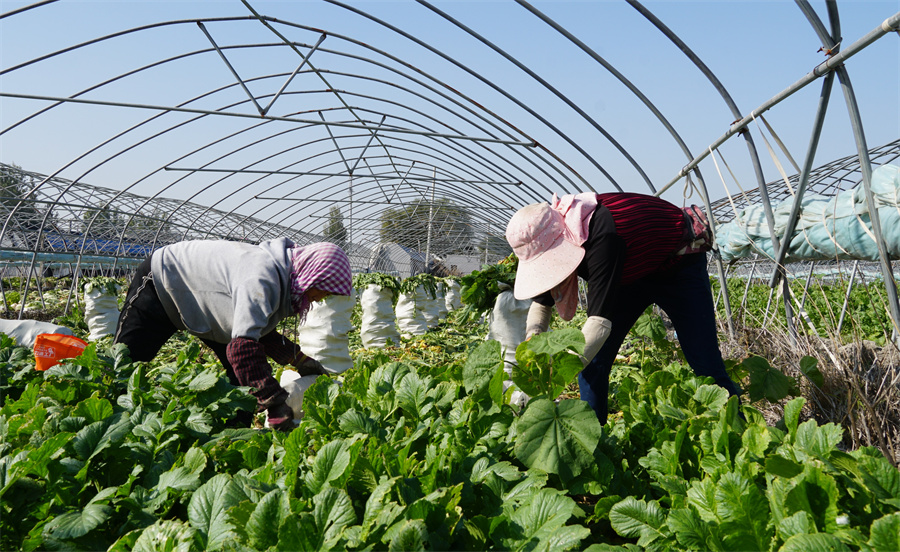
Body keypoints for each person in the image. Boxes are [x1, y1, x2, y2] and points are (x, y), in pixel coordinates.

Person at [505, 192, 741, 424]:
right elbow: (541, 302)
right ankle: (594, 437)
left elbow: (598, 324)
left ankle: (738, 428)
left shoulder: (600, 235)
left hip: (678, 266)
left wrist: (554, 378)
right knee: (594, 364)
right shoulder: (557, 235)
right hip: (629, 275)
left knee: (705, 362)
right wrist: (532, 344)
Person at [114, 238, 352, 430]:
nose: (322, 298)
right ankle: (109, 424)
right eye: (324, 289)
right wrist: (275, 403)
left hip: (205, 304)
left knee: (242, 387)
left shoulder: (284, 276)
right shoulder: (263, 278)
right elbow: (242, 349)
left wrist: (299, 360)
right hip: (163, 280)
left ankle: (233, 438)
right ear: (313, 275)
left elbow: (260, 330)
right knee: (123, 365)